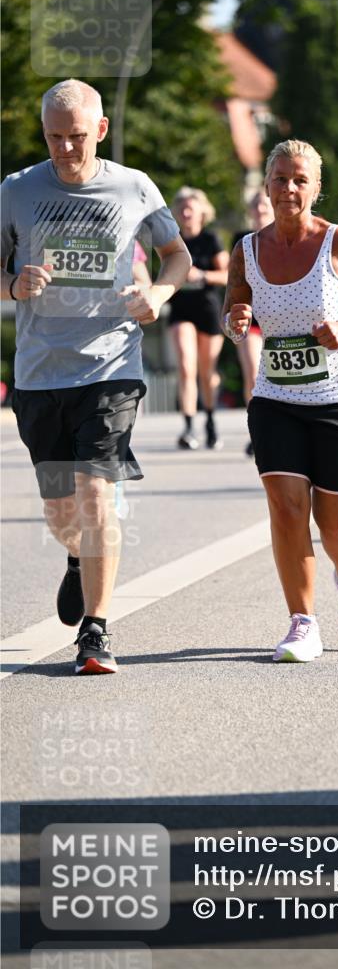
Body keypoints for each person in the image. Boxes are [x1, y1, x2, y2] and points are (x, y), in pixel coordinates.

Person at [1, 79, 190, 675]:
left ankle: (97, 631)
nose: (64, 149)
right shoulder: (16, 191)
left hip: (111, 365)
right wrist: (11, 285)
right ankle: (79, 562)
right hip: (38, 374)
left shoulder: (135, 188)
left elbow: (177, 255)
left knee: (96, 495)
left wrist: (158, 292)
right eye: (54, 138)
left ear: (100, 130)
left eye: (77, 137)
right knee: (62, 514)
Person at [222, 139, 338, 663]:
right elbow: (235, 305)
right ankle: (302, 623)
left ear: (316, 188)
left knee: (337, 525)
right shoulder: (246, 249)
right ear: (265, 184)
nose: (288, 188)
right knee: (287, 509)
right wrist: (236, 321)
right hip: (275, 396)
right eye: (279, 178)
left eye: (299, 180)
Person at [168, 187, 228, 450]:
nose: (185, 211)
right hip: (181, 309)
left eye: (190, 207)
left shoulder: (211, 239)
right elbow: (164, 274)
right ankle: (189, 427)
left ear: (201, 212)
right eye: (181, 207)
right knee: (185, 366)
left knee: (207, 372)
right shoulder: (172, 241)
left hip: (208, 308)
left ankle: (211, 422)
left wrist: (201, 276)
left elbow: (228, 275)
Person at [231, 190, 275, 456]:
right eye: (256, 204)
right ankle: (257, 430)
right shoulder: (242, 241)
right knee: (254, 373)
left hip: (280, 317)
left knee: (277, 376)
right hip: (251, 317)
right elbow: (234, 280)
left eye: (264, 203)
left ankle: (278, 427)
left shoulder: (283, 238)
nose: (260, 208)